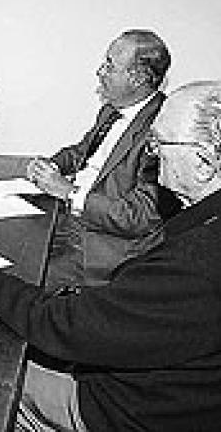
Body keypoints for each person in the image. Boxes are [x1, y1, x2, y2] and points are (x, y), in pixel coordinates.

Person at [0, 81, 221, 431]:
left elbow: (67, 326)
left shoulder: (195, 262)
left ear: (203, 163)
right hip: (156, 379)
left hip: (119, 408)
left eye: (159, 144)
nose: (152, 155)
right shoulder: (200, 233)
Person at [27, 29, 180, 286]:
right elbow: (81, 152)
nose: (99, 72)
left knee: (24, 280)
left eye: (109, 66)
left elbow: (140, 216)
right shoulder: (111, 110)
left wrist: (69, 193)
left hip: (104, 246)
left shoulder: (163, 129)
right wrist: (50, 165)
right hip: (68, 218)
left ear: (137, 78)